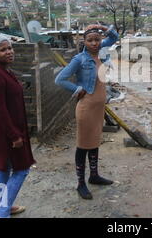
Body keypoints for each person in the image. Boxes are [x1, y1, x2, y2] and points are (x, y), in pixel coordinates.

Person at [55, 24, 119, 199]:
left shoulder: (102, 52)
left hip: (98, 108)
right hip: (86, 108)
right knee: (83, 145)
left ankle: (94, 175)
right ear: (83, 42)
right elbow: (59, 79)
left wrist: (100, 26)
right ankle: (81, 183)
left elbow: (114, 36)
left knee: (95, 142)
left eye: (97, 40)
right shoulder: (79, 59)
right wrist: (76, 89)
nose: (94, 43)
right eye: (90, 40)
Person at [0, 35, 35, 218]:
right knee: (22, 169)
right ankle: (2, 212)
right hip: (1, 132)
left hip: (2, 129)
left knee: (4, 168)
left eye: (10, 48)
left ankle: (2, 205)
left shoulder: (2, 70)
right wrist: (14, 136)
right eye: (3, 50)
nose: (9, 51)